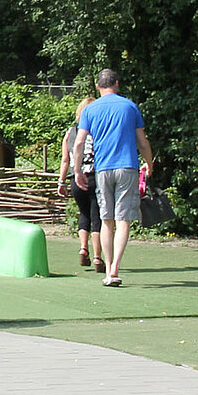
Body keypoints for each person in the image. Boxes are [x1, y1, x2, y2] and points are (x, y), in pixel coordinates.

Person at [74, 69, 153, 288]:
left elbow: (79, 143)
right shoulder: (129, 106)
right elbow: (143, 142)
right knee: (123, 219)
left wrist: (78, 170)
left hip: (102, 169)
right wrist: (149, 163)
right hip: (127, 166)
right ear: (117, 84)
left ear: (98, 86)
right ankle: (115, 268)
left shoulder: (90, 109)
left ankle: (108, 269)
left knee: (106, 220)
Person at [57, 97, 103, 271]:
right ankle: (98, 257)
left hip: (75, 179)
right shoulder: (99, 131)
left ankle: (83, 248)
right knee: (97, 216)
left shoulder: (70, 133)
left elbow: (65, 160)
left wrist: (61, 181)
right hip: (95, 176)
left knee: (84, 214)